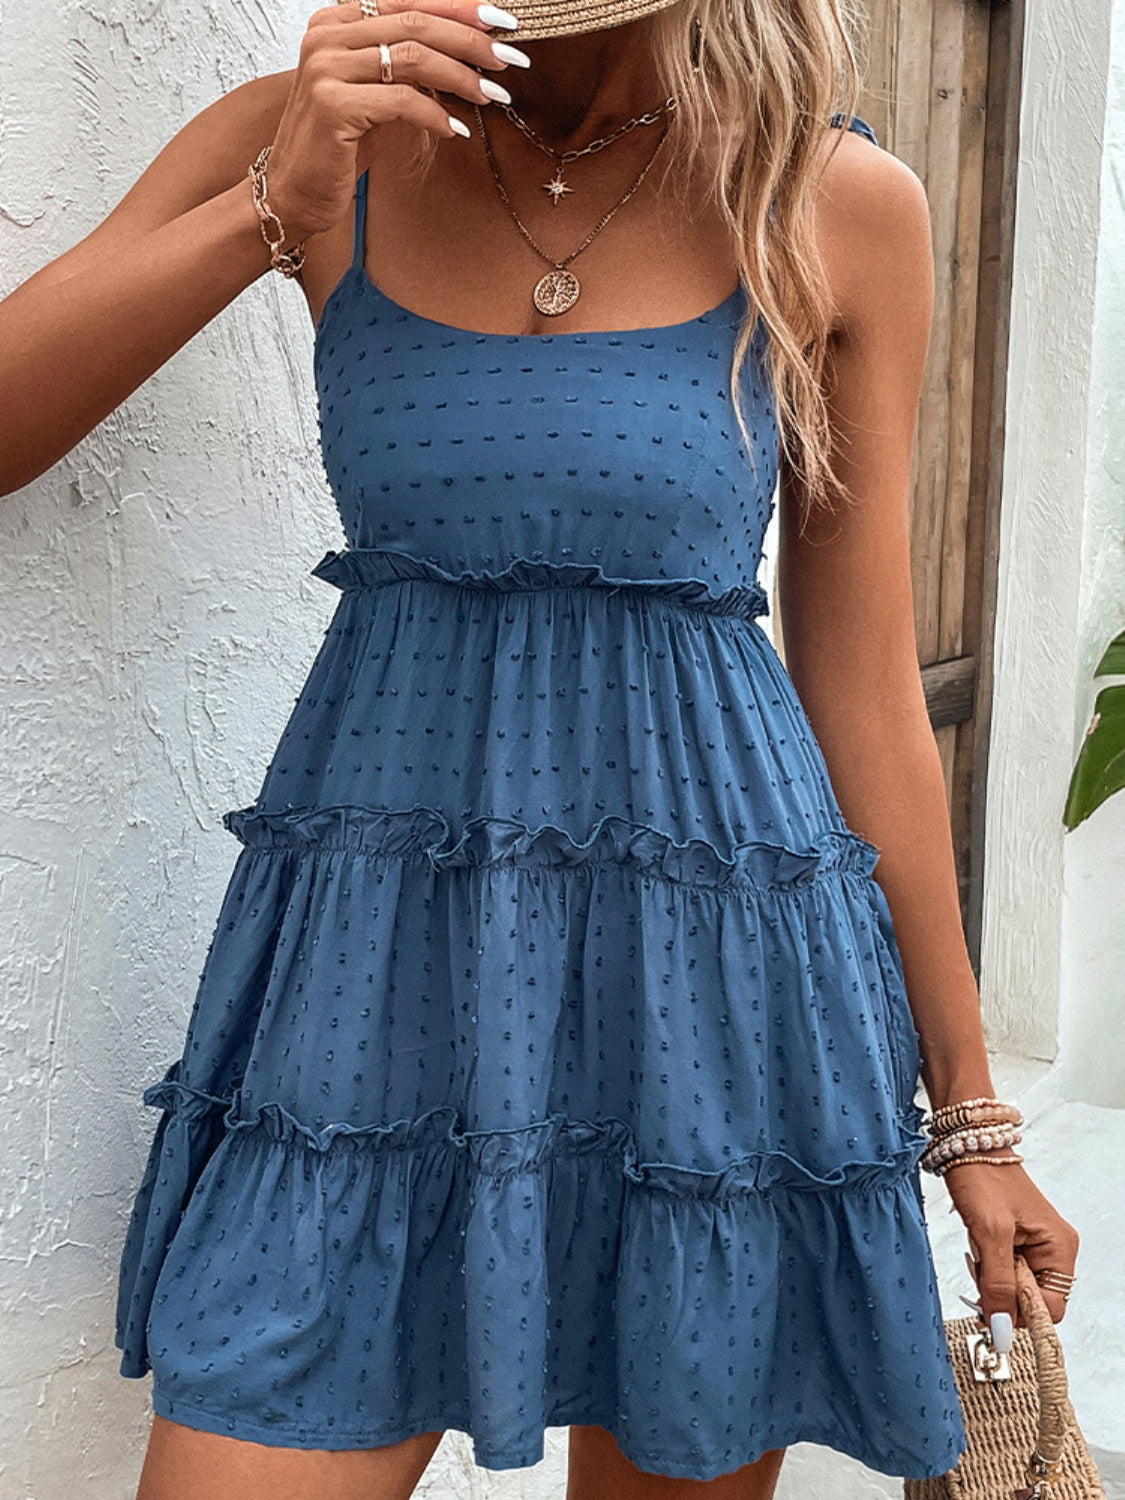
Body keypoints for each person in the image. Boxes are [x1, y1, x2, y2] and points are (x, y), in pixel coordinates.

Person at [1, 0, 1082, 1496]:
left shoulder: (829, 200)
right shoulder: (308, 133)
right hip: (373, 976)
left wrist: (969, 1118)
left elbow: (864, 682)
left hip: (709, 974)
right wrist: (276, 208)